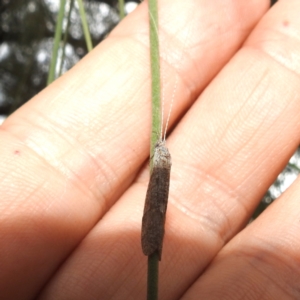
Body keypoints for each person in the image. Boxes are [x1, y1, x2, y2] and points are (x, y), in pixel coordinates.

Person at [1, 0, 299, 299]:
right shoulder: (162, 159)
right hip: (158, 187)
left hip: (158, 193)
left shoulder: (162, 163)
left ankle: (154, 241)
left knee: (157, 202)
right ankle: (153, 242)